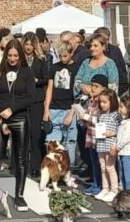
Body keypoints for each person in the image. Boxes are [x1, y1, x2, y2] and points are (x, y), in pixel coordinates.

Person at [0, 38, 35, 213]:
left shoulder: (27, 72)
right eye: (10, 55)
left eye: (16, 55)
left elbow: (31, 97)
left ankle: (19, 195)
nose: (13, 59)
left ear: (20, 55)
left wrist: (12, 109)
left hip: (20, 118)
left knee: (21, 158)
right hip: (0, 118)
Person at [44, 39, 79, 167]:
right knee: (52, 142)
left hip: (69, 108)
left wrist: (71, 113)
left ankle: (68, 169)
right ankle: (53, 169)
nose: (62, 59)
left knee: (70, 142)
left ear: (71, 53)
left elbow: (78, 93)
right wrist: (46, 110)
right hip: (54, 109)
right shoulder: (54, 67)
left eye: (65, 56)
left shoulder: (76, 68)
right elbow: (49, 89)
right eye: (60, 56)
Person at [22, 32, 50, 173]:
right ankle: (21, 165)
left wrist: (37, 81)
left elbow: (46, 79)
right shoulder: (19, 59)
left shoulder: (41, 60)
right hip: (22, 100)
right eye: (26, 44)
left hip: (37, 99)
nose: (28, 47)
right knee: (22, 134)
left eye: (31, 44)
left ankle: (35, 165)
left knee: (35, 134)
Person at [94, 88, 122, 202]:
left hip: (111, 144)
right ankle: (105, 188)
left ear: (112, 101)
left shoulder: (116, 115)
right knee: (103, 167)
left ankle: (114, 190)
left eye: (105, 102)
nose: (102, 104)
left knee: (110, 167)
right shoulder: (101, 115)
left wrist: (113, 133)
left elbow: (121, 129)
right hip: (101, 143)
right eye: (100, 102)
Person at [95, 27, 129, 95]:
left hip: (116, 88)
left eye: (106, 39)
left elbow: (122, 69)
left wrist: (122, 86)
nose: (104, 41)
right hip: (98, 88)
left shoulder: (115, 50)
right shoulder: (93, 51)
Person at [116, 93, 130, 191]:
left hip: (129, 154)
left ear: (129, 108)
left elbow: (126, 138)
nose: (119, 109)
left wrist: (117, 147)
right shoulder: (124, 122)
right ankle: (125, 194)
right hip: (122, 153)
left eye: (121, 106)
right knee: (123, 175)